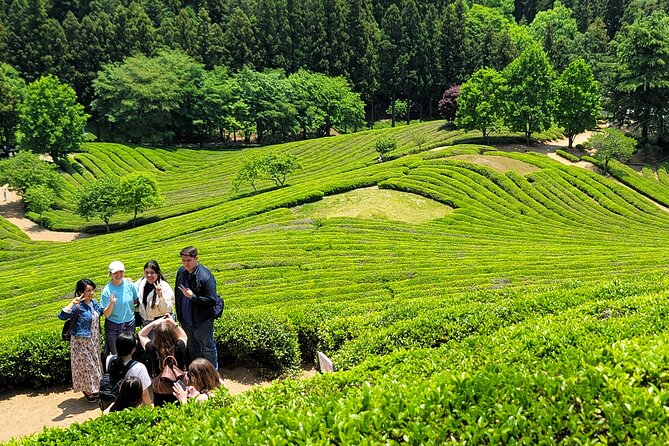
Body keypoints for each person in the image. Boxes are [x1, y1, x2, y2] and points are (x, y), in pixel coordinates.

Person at [58, 278, 103, 402]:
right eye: (88, 291)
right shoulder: (78, 306)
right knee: (87, 367)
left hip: (94, 341)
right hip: (80, 342)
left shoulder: (94, 303)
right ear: (80, 292)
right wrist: (72, 303)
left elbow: (102, 312)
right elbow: (62, 316)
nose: (91, 293)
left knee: (94, 364)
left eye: (92, 290)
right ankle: (89, 390)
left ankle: (92, 389)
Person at [175, 246, 218, 369]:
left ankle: (212, 374)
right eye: (183, 260)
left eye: (189, 260)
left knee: (208, 348)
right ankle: (197, 373)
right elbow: (177, 294)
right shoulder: (181, 272)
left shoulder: (205, 277)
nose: (186, 264)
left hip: (201, 322)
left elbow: (212, 300)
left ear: (196, 259)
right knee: (193, 348)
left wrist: (192, 297)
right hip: (186, 320)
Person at [138, 315, 188, 406]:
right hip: (178, 388)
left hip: (160, 389)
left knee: (161, 413)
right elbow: (184, 335)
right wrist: (173, 323)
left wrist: (154, 323)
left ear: (156, 335)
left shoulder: (152, 348)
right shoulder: (179, 346)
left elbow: (141, 334)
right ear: (172, 333)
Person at [101, 260, 138, 356]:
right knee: (116, 354)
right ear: (110, 274)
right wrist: (112, 303)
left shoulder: (130, 285)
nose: (118, 275)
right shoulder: (107, 291)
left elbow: (136, 300)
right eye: (115, 273)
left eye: (121, 271)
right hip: (113, 326)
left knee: (130, 353)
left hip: (129, 324)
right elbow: (106, 314)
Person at [105, 332, 152, 408]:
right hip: (129, 407)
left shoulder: (109, 359)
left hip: (113, 403)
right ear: (133, 349)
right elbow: (144, 394)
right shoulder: (139, 367)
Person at [134, 260, 175, 326]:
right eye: (146, 272)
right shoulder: (141, 283)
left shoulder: (164, 287)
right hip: (146, 322)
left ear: (157, 273)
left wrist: (160, 296)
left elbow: (167, 310)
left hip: (160, 324)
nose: (149, 275)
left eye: (152, 272)